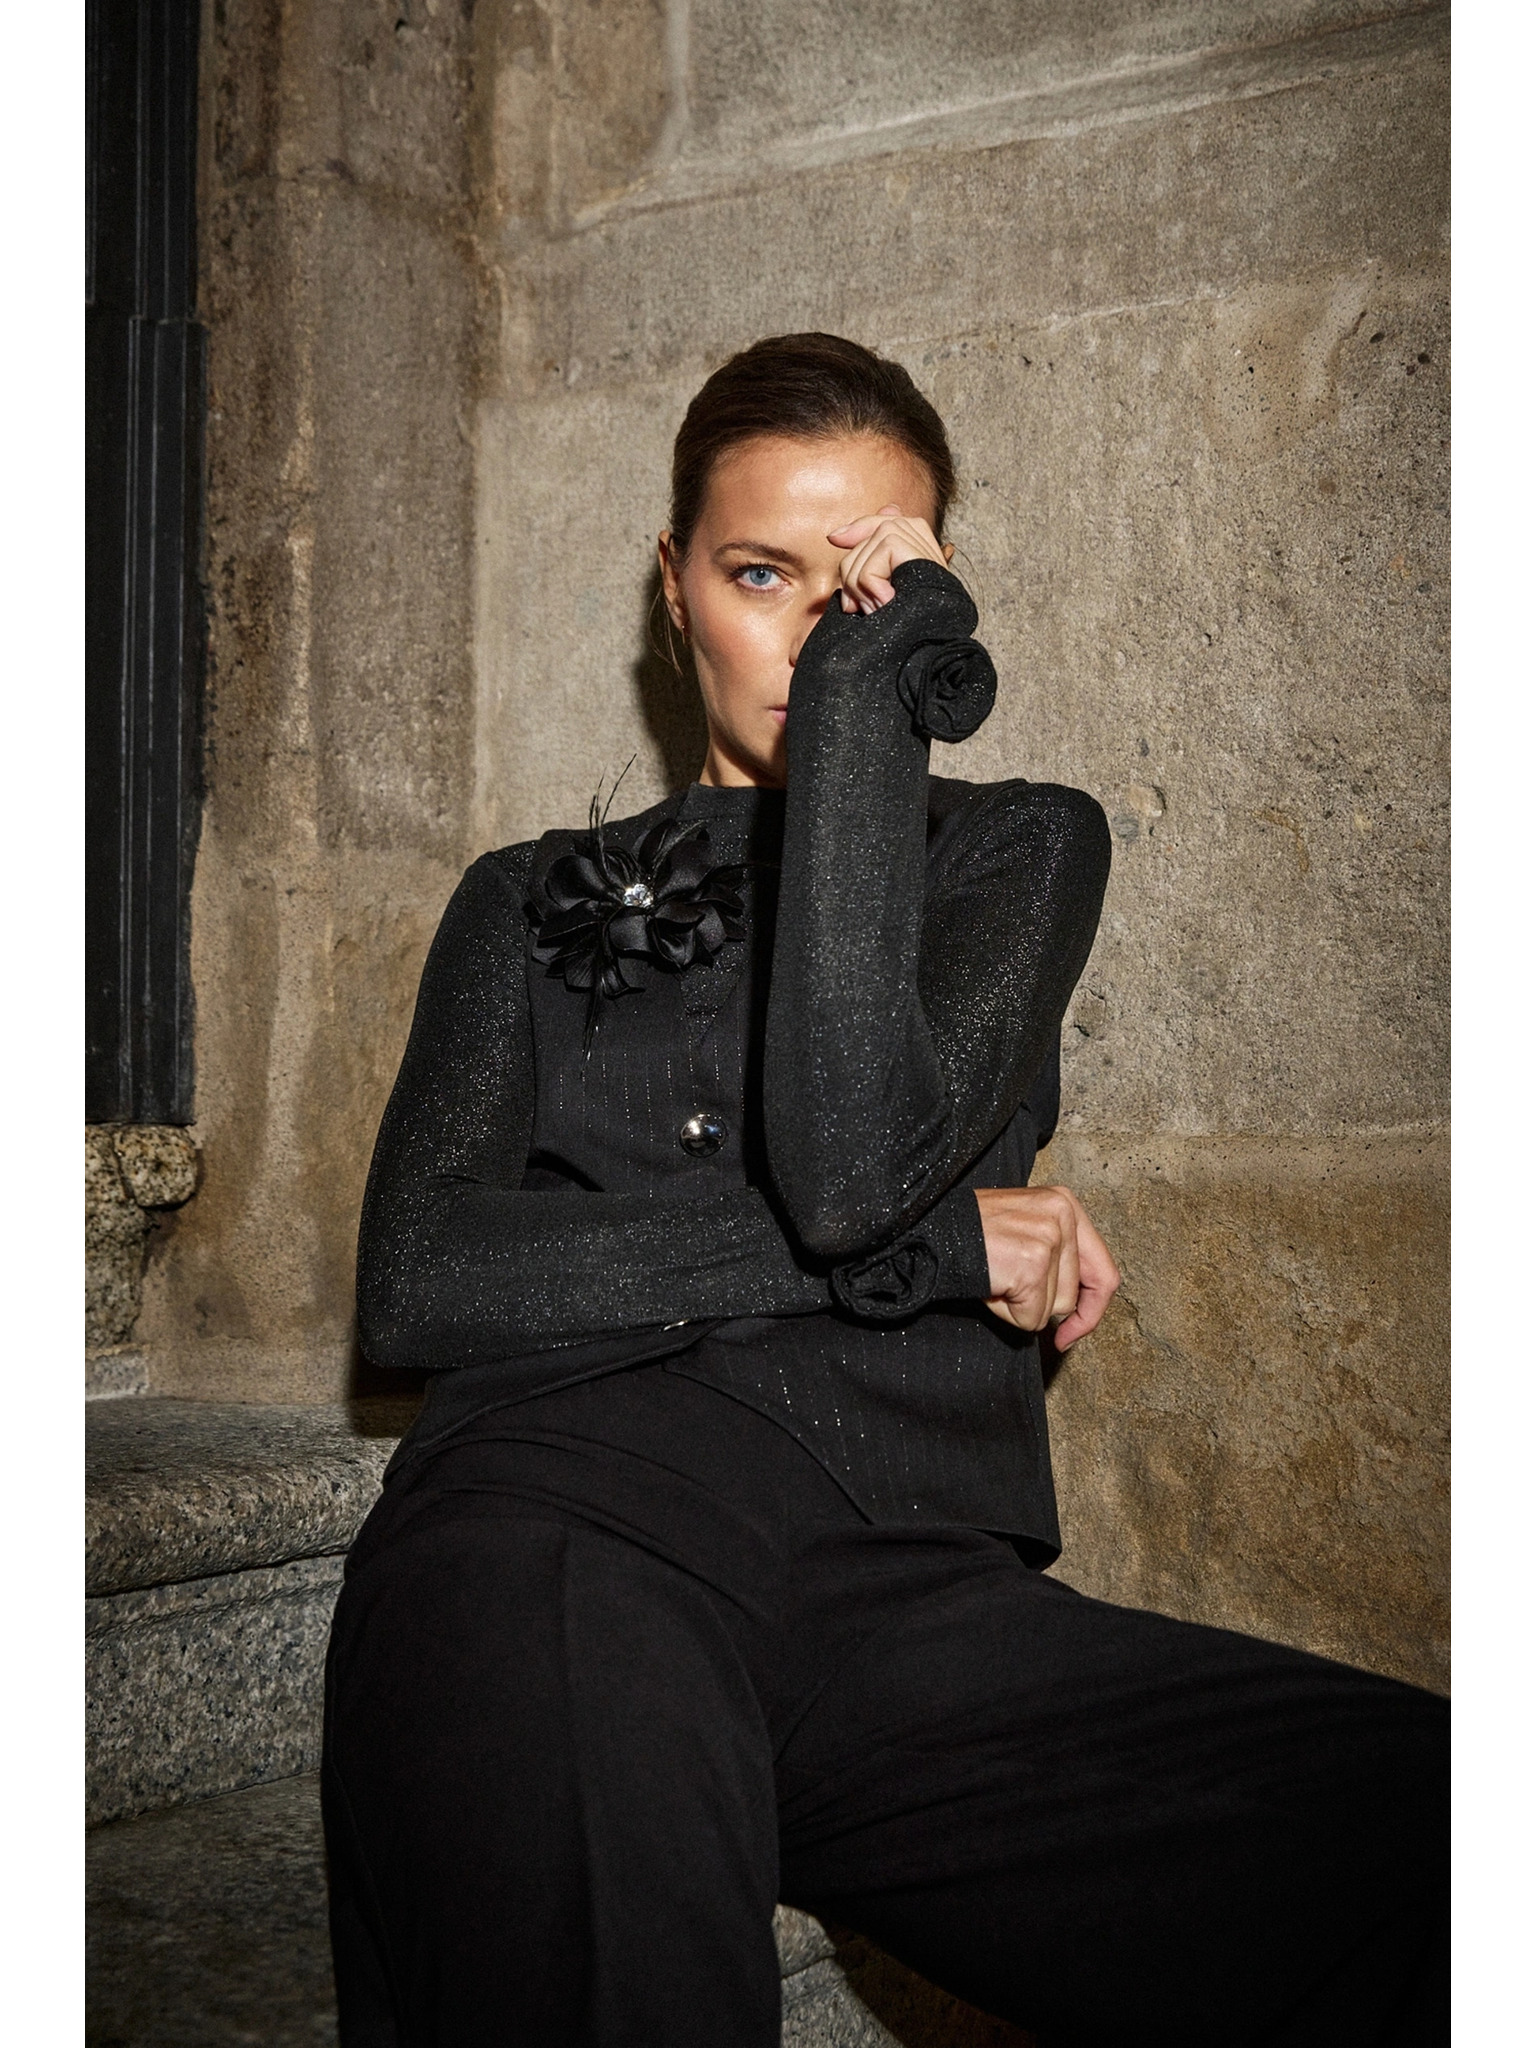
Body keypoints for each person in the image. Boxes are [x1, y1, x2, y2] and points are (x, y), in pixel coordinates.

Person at [322, 333, 1448, 2047]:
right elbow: (423, 1277)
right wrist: (939, 1249)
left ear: (933, 597)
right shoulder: (525, 897)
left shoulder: (1020, 846)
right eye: (760, 573)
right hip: (566, 1518)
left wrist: (869, 696)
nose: (810, 633)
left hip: (904, 1589)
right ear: (674, 586)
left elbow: (851, 1165)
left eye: (864, 584)